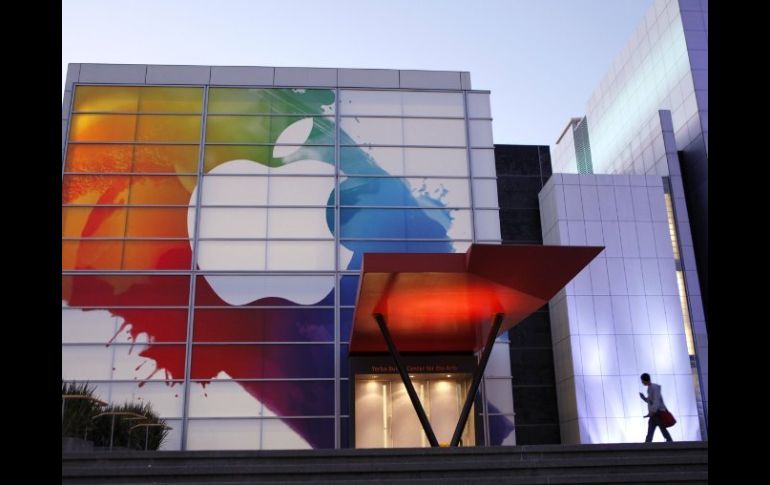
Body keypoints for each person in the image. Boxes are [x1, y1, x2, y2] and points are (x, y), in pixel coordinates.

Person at [638, 373, 673, 442]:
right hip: (655, 414)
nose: (642, 382)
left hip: (658, 413)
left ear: (645, 380)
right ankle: (648, 443)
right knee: (658, 429)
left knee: (660, 429)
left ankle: (669, 442)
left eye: (642, 381)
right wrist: (644, 398)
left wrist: (652, 411)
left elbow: (656, 401)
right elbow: (652, 401)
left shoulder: (654, 387)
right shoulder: (650, 388)